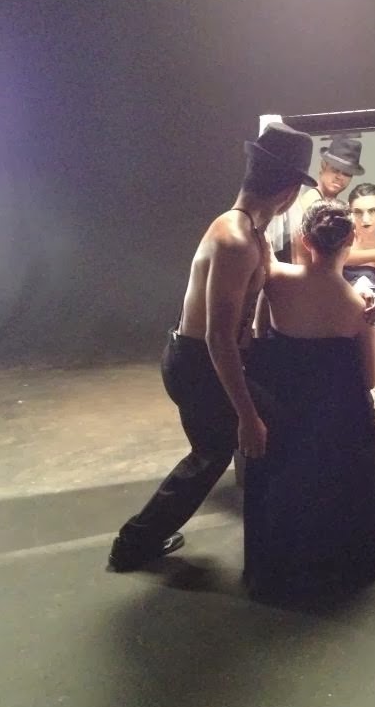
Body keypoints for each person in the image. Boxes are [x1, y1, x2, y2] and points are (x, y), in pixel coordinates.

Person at [107, 122, 318, 572]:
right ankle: (134, 544)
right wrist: (248, 417)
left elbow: (275, 275)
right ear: (287, 192)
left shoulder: (252, 233)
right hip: (197, 364)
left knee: (236, 442)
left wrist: (349, 291)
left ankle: (271, 537)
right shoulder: (234, 241)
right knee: (223, 447)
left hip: (207, 360)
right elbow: (218, 338)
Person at [242, 199, 375, 599]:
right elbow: (368, 379)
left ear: (305, 240)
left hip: (286, 409)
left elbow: (261, 334)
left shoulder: (276, 280)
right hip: (337, 419)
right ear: (351, 238)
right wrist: (364, 293)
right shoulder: (359, 307)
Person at [287, 135, 365, 263]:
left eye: (347, 173)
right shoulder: (313, 201)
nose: (340, 177)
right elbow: (331, 254)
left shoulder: (327, 203)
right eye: (335, 169)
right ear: (323, 165)